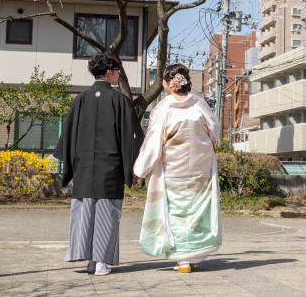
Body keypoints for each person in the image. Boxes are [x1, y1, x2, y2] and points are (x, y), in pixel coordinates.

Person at [53, 53, 143, 276]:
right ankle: (101, 262)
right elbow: (132, 136)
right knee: (107, 214)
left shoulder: (80, 99)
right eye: (117, 71)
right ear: (109, 72)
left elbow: (68, 135)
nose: (118, 75)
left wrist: (71, 165)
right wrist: (134, 165)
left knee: (83, 213)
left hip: (83, 167)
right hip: (111, 166)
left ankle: (90, 261)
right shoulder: (120, 100)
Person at [133, 64, 222, 273]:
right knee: (197, 213)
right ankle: (194, 256)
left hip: (173, 169)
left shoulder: (164, 108)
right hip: (200, 169)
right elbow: (215, 132)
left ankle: (183, 261)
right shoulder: (200, 105)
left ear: (168, 83)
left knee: (176, 214)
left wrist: (140, 168)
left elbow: (154, 141)